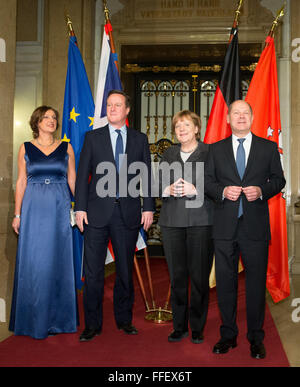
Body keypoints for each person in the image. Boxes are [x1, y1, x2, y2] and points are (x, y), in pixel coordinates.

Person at [204, 100, 286, 359]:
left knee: (255, 284)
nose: (240, 117)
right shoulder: (215, 150)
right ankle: (228, 335)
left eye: (245, 113)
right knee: (226, 284)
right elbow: (206, 181)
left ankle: (255, 338)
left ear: (252, 117)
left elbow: (279, 180)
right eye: (236, 113)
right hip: (225, 227)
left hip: (255, 228)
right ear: (228, 119)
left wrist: (262, 190)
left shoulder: (268, 147)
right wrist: (221, 191)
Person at [75, 89, 155, 342]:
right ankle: (92, 324)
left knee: (124, 270)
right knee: (94, 272)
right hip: (96, 215)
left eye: (117, 105)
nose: (111, 109)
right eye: (109, 105)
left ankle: (124, 320)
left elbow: (147, 176)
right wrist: (80, 207)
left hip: (128, 214)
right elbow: (82, 176)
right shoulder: (92, 138)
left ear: (127, 110)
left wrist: (149, 207)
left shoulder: (139, 139)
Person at [10, 106, 77, 339]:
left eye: (54, 118)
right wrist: (17, 214)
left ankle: (58, 320)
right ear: (36, 121)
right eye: (46, 117)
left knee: (57, 260)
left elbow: (72, 180)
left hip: (59, 206)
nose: (51, 120)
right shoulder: (25, 148)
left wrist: (81, 208)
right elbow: (20, 182)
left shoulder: (66, 147)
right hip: (33, 207)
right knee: (35, 262)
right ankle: (33, 319)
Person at [158, 110, 214, 344]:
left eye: (186, 125)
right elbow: (156, 182)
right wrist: (166, 189)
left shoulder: (210, 152)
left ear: (197, 129)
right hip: (172, 223)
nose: (181, 129)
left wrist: (197, 189)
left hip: (201, 222)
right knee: (177, 277)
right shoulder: (168, 153)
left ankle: (198, 326)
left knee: (199, 278)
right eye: (178, 126)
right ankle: (179, 326)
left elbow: (218, 183)